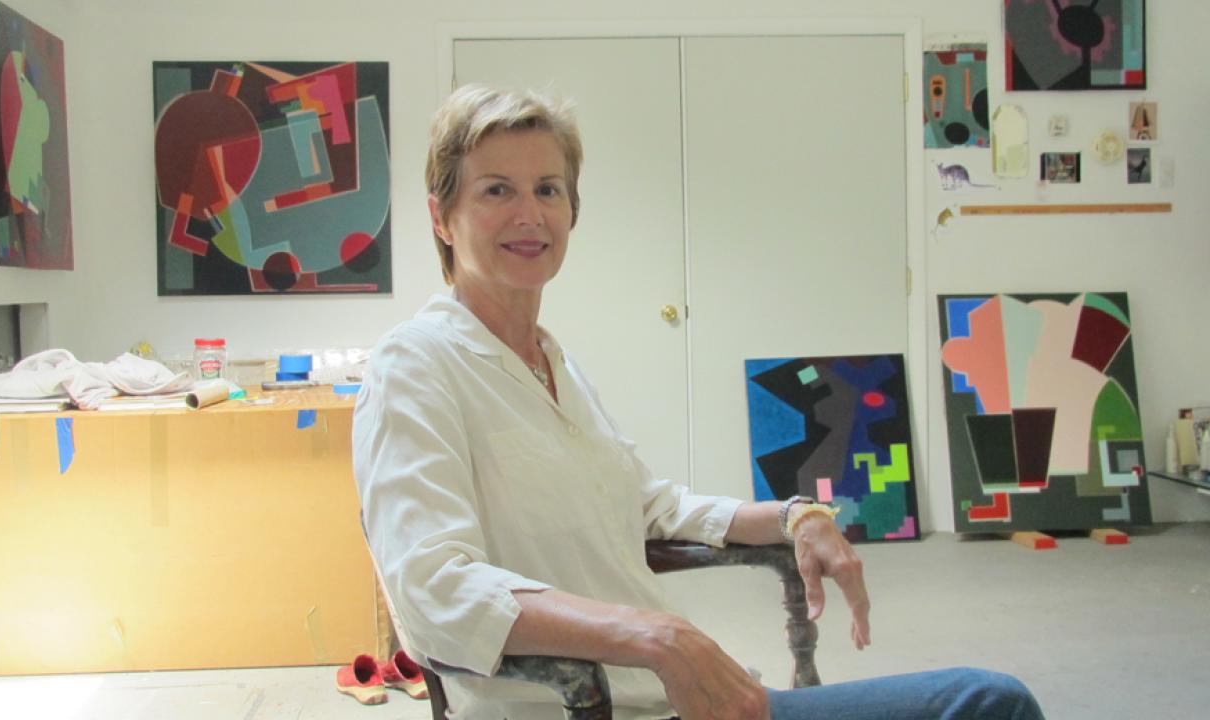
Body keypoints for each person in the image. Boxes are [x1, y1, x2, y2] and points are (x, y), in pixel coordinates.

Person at [353, 84, 1044, 720]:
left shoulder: (550, 362)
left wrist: (794, 513)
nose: (530, 215)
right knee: (989, 706)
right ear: (442, 217)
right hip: (585, 706)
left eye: (549, 189)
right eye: (497, 190)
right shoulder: (414, 366)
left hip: (676, 698)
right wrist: (658, 635)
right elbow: (431, 585)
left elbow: (649, 507)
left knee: (985, 703)